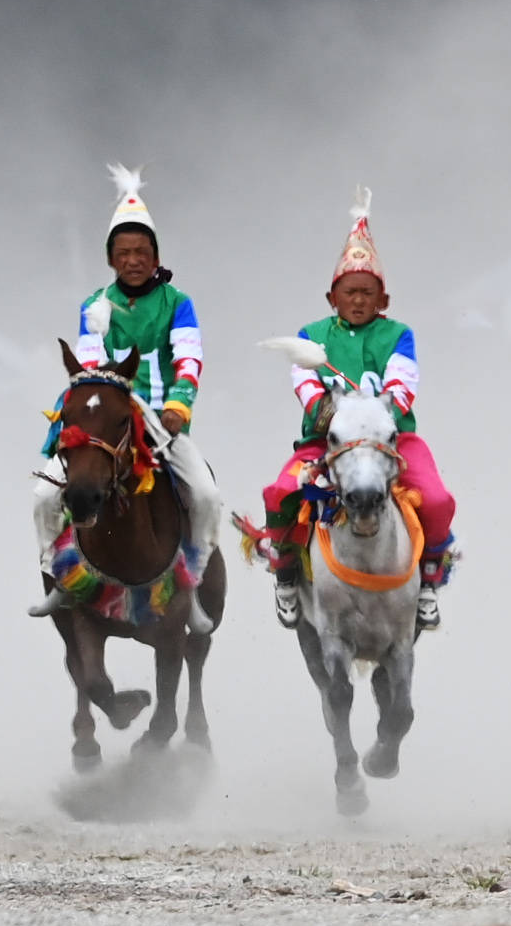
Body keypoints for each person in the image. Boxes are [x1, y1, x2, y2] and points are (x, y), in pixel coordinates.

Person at [254, 189, 460, 632]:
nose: (360, 300)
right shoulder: (311, 335)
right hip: (325, 444)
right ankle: (287, 573)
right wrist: (335, 420)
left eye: (369, 293)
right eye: (351, 292)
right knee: (279, 493)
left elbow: (402, 389)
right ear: (333, 297)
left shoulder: (400, 335)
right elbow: (307, 387)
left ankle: (427, 580)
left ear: (383, 300)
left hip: (392, 442)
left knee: (439, 500)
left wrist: (373, 422)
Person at [30, 167, 226, 627]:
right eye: (123, 253)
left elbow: (189, 360)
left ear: (155, 256)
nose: (133, 260)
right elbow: (92, 366)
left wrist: (178, 407)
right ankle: (57, 576)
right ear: (111, 259)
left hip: (163, 422)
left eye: (141, 252)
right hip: (106, 422)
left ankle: (192, 587)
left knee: (207, 494)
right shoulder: (94, 305)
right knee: (43, 495)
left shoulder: (178, 303)